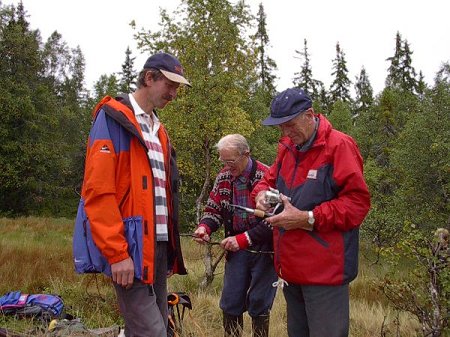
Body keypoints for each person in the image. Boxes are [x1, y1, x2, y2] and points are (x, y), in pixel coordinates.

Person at [73, 52, 190, 337]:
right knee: (153, 332)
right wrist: (117, 254)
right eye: (170, 85)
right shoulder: (112, 119)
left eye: (178, 87)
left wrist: (169, 251)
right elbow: (98, 192)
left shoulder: (158, 129)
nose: (174, 94)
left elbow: (164, 195)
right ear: (149, 78)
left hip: (158, 247)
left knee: (159, 327)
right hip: (129, 248)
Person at [251, 88, 371, 337]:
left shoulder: (339, 146)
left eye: (290, 125)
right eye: (280, 127)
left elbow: (357, 203)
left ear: (310, 114)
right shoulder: (287, 149)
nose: (285, 133)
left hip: (326, 273)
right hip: (291, 271)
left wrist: (308, 218)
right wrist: (261, 195)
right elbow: (267, 182)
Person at [193, 134, 277, 337]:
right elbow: (213, 209)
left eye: (230, 161)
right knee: (231, 302)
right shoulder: (223, 178)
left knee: (259, 302)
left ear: (246, 154)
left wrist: (243, 239)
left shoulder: (267, 176)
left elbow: (274, 221)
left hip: (265, 249)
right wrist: (204, 227)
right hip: (236, 248)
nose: (226, 166)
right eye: (223, 160)